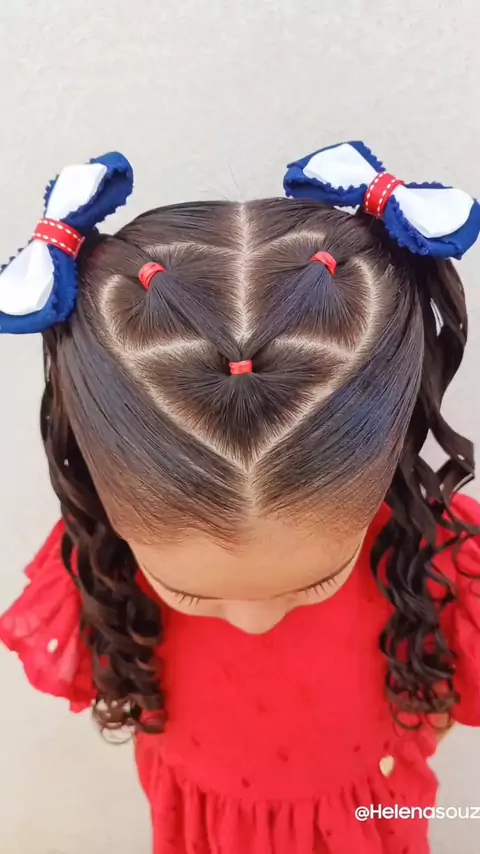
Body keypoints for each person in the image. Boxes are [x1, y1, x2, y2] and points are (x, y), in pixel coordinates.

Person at [1, 141, 480, 854]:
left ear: (380, 463)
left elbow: (441, 693)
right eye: (189, 593)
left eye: (315, 582)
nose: (255, 623)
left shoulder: (439, 556)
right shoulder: (102, 561)